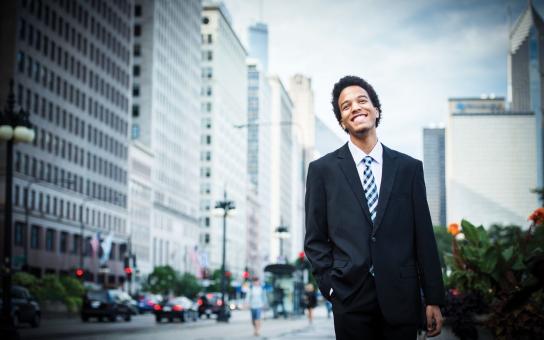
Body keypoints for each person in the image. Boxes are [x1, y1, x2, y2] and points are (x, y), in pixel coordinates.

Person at [304, 75, 445, 339]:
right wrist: (331, 287)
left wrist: (433, 298)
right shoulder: (322, 171)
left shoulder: (408, 169)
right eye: (346, 106)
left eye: (361, 100)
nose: (355, 107)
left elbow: (423, 237)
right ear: (342, 121)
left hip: (402, 298)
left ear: (376, 110)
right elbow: (315, 240)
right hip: (349, 299)